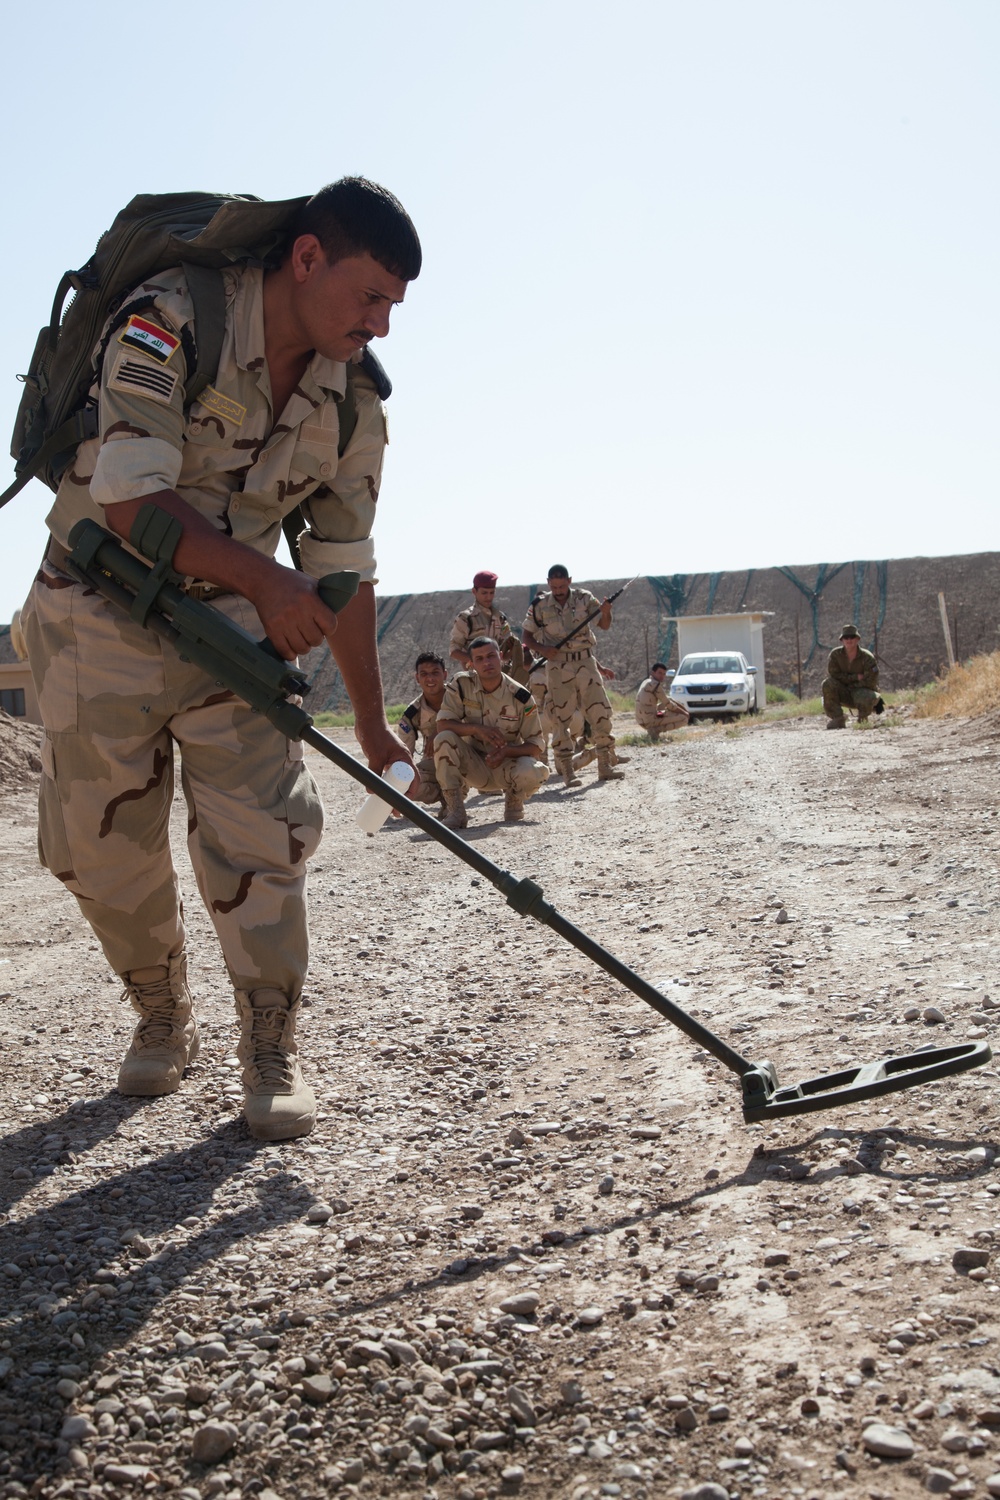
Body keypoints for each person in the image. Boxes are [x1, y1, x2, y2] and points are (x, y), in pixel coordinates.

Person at [19, 177, 422, 1141]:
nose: (381, 326)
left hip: (230, 633)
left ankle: (269, 1040)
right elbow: (132, 503)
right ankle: (160, 1009)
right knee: (99, 849)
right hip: (95, 613)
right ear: (308, 256)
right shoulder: (168, 321)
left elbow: (344, 577)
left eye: (394, 308)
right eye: (369, 297)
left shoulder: (353, 408)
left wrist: (370, 724)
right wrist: (271, 584)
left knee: (265, 840)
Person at [522, 564, 623, 785]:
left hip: (585, 662)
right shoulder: (539, 605)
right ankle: (567, 771)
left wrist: (607, 612)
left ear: (569, 580)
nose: (558, 589)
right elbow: (527, 636)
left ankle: (605, 765)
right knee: (560, 716)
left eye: (562, 585)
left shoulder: (584, 598)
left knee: (599, 711)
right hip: (558, 665)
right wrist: (543, 649)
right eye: (554, 586)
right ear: (548, 583)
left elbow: (604, 625)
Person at [434, 636, 549, 828]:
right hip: (473, 766)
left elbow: (536, 746)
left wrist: (506, 752)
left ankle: (514, 798)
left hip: (506, 767)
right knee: (444, 739)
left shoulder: (520, 696)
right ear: (471, 664)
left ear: (501, 656)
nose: (486, 662)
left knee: (535, 770)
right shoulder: (462, 685)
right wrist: (476, 729)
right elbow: (442, 725)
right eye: (479, 659)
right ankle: (456, 811)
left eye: (491, 656)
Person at [449, 570, 526, 682]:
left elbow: (505, 650)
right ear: (474, 591)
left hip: (498, 676)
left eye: (492, 593)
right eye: (484, 593)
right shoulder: (466, 618)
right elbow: (454, 651)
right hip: (474, 678)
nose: (488, 597)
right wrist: (475, 660)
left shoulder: (500, 618)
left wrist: (513, 651)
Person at [396, 652, 448, 811]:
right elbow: (404, 753)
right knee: (404, 785)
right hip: (434, 763)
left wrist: (440, 730)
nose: (430, 679)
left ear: (445, 675)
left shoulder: (460, 698)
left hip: (466, 760)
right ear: (417, 678)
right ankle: (445, 795)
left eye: (435, 673)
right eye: (424, 674)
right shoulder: (412, 713)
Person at [822, 624, 882, 729]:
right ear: (842, 640)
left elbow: (871, 681)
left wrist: (853, 686)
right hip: (844, 691)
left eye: (852, 637)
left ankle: (863, 719)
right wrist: (855, 677)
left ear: (857, 639)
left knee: (865, 695)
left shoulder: (867, 657)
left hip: (862, 691)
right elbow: (834, 675)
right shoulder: (835, 655)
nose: (849, 640)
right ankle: (838, 718)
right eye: (846, 637)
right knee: (827, 684)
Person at [635, 662, 690, 740]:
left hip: (642, 718)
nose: (662, 676)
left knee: (666, 705)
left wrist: (685, 710)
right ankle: (655, 730)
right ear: (653, 673)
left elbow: (668, 699)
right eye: (659, 673)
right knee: (684, 718)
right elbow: (669, 704)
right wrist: (685, 713)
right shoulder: (655, 685)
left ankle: (654, 729)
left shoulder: (646, 681)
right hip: (650, 719)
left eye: (664, 674)